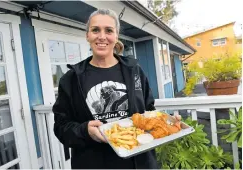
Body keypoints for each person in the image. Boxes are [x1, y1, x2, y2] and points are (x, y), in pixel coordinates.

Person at [52, 8, 181, 169]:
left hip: (139, 163)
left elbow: (149, 111)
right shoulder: (71, 78)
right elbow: (61, 126)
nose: (102, 36)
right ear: (87, 35)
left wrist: (167, 123)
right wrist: (85, 131)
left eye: (108, 30)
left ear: (116, 36)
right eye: (95, 30)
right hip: (92, 163)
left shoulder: (134, 71)